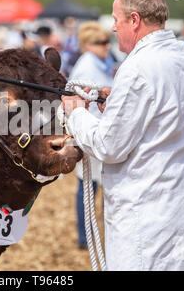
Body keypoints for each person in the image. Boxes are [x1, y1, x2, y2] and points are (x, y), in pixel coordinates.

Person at [62, 0, 184, 270]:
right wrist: (117, 98)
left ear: (134, 20)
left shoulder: (137, 67)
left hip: (147, 220)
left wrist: (77, 113)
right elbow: (165, 115)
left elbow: (109, 146)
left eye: (117, 20)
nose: (114, 28)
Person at [68, 21, 114, 249]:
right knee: (87, 188)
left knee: (94, 187)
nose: (106, 46)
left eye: (107, 41)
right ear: (86, 45)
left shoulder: (104, 62)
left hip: (101, 131)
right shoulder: (87, 66)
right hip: (91, 131)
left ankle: (94, 234)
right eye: (100, 42)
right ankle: (85, 236)